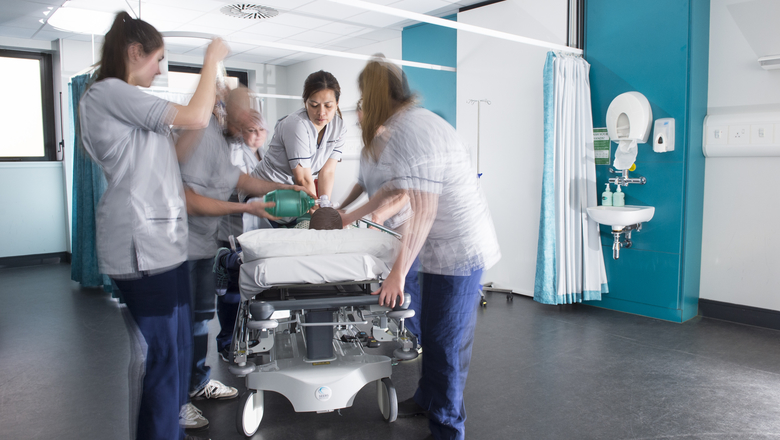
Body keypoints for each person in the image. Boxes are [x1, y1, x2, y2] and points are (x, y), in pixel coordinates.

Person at [78, 11, 227, 440]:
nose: (160, 69)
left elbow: (177, 150)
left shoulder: (131, 104)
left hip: (164, 245)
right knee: (163, 355)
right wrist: (212, 59)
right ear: (133, 52)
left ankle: (169, 432)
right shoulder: (110, 92)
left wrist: (209, 108)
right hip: (140, 245)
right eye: (158, 59)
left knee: (178, 352)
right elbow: (192, 117)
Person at [341, 57, 501, 440]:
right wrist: (348, 217)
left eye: (364, 95)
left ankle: (448, 428)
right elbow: (394, 188)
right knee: (430, 333)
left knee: (445, 342)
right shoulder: (402, 127)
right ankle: (429, 398)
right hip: (441, 249)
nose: (361, 104)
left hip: (460, 252)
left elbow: (424, 209)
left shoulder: (414, 129)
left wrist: (398, 272)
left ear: (377, 94)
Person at [176, 86, 311, 431]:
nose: (249, 128)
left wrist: (284, 191)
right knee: (177, 328)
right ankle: (175, 403)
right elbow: (190, 199)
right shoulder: (197, 131)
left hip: (204, 245)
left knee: (198, 322)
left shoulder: (224, 141)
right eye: (243, 121)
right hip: (179, 246)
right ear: (222, 109)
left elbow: (241, 180)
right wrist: (247, 206)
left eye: (254, 122)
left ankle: (197, 382)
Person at [339, 97, 422, 345]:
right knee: (390, 280)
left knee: (407, 281)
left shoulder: (399, 148)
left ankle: (415, 337)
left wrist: (378, 215)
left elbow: (404, 193)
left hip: (406, 225)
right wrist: (341, 209)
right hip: (382, 226)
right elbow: (363, 184)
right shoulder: (367, 151)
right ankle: (397, 329)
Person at [251, 70, 346, 225]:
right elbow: (303, 178)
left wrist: (325, 205)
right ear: (305, 102)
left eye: (328, 106)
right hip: (266, 193)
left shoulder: (339, 127)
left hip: (293, 198)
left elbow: (327, 172)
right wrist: (318, 213)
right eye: (314, 105)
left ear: (337, 103)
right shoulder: (296, 125)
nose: (321, 112)